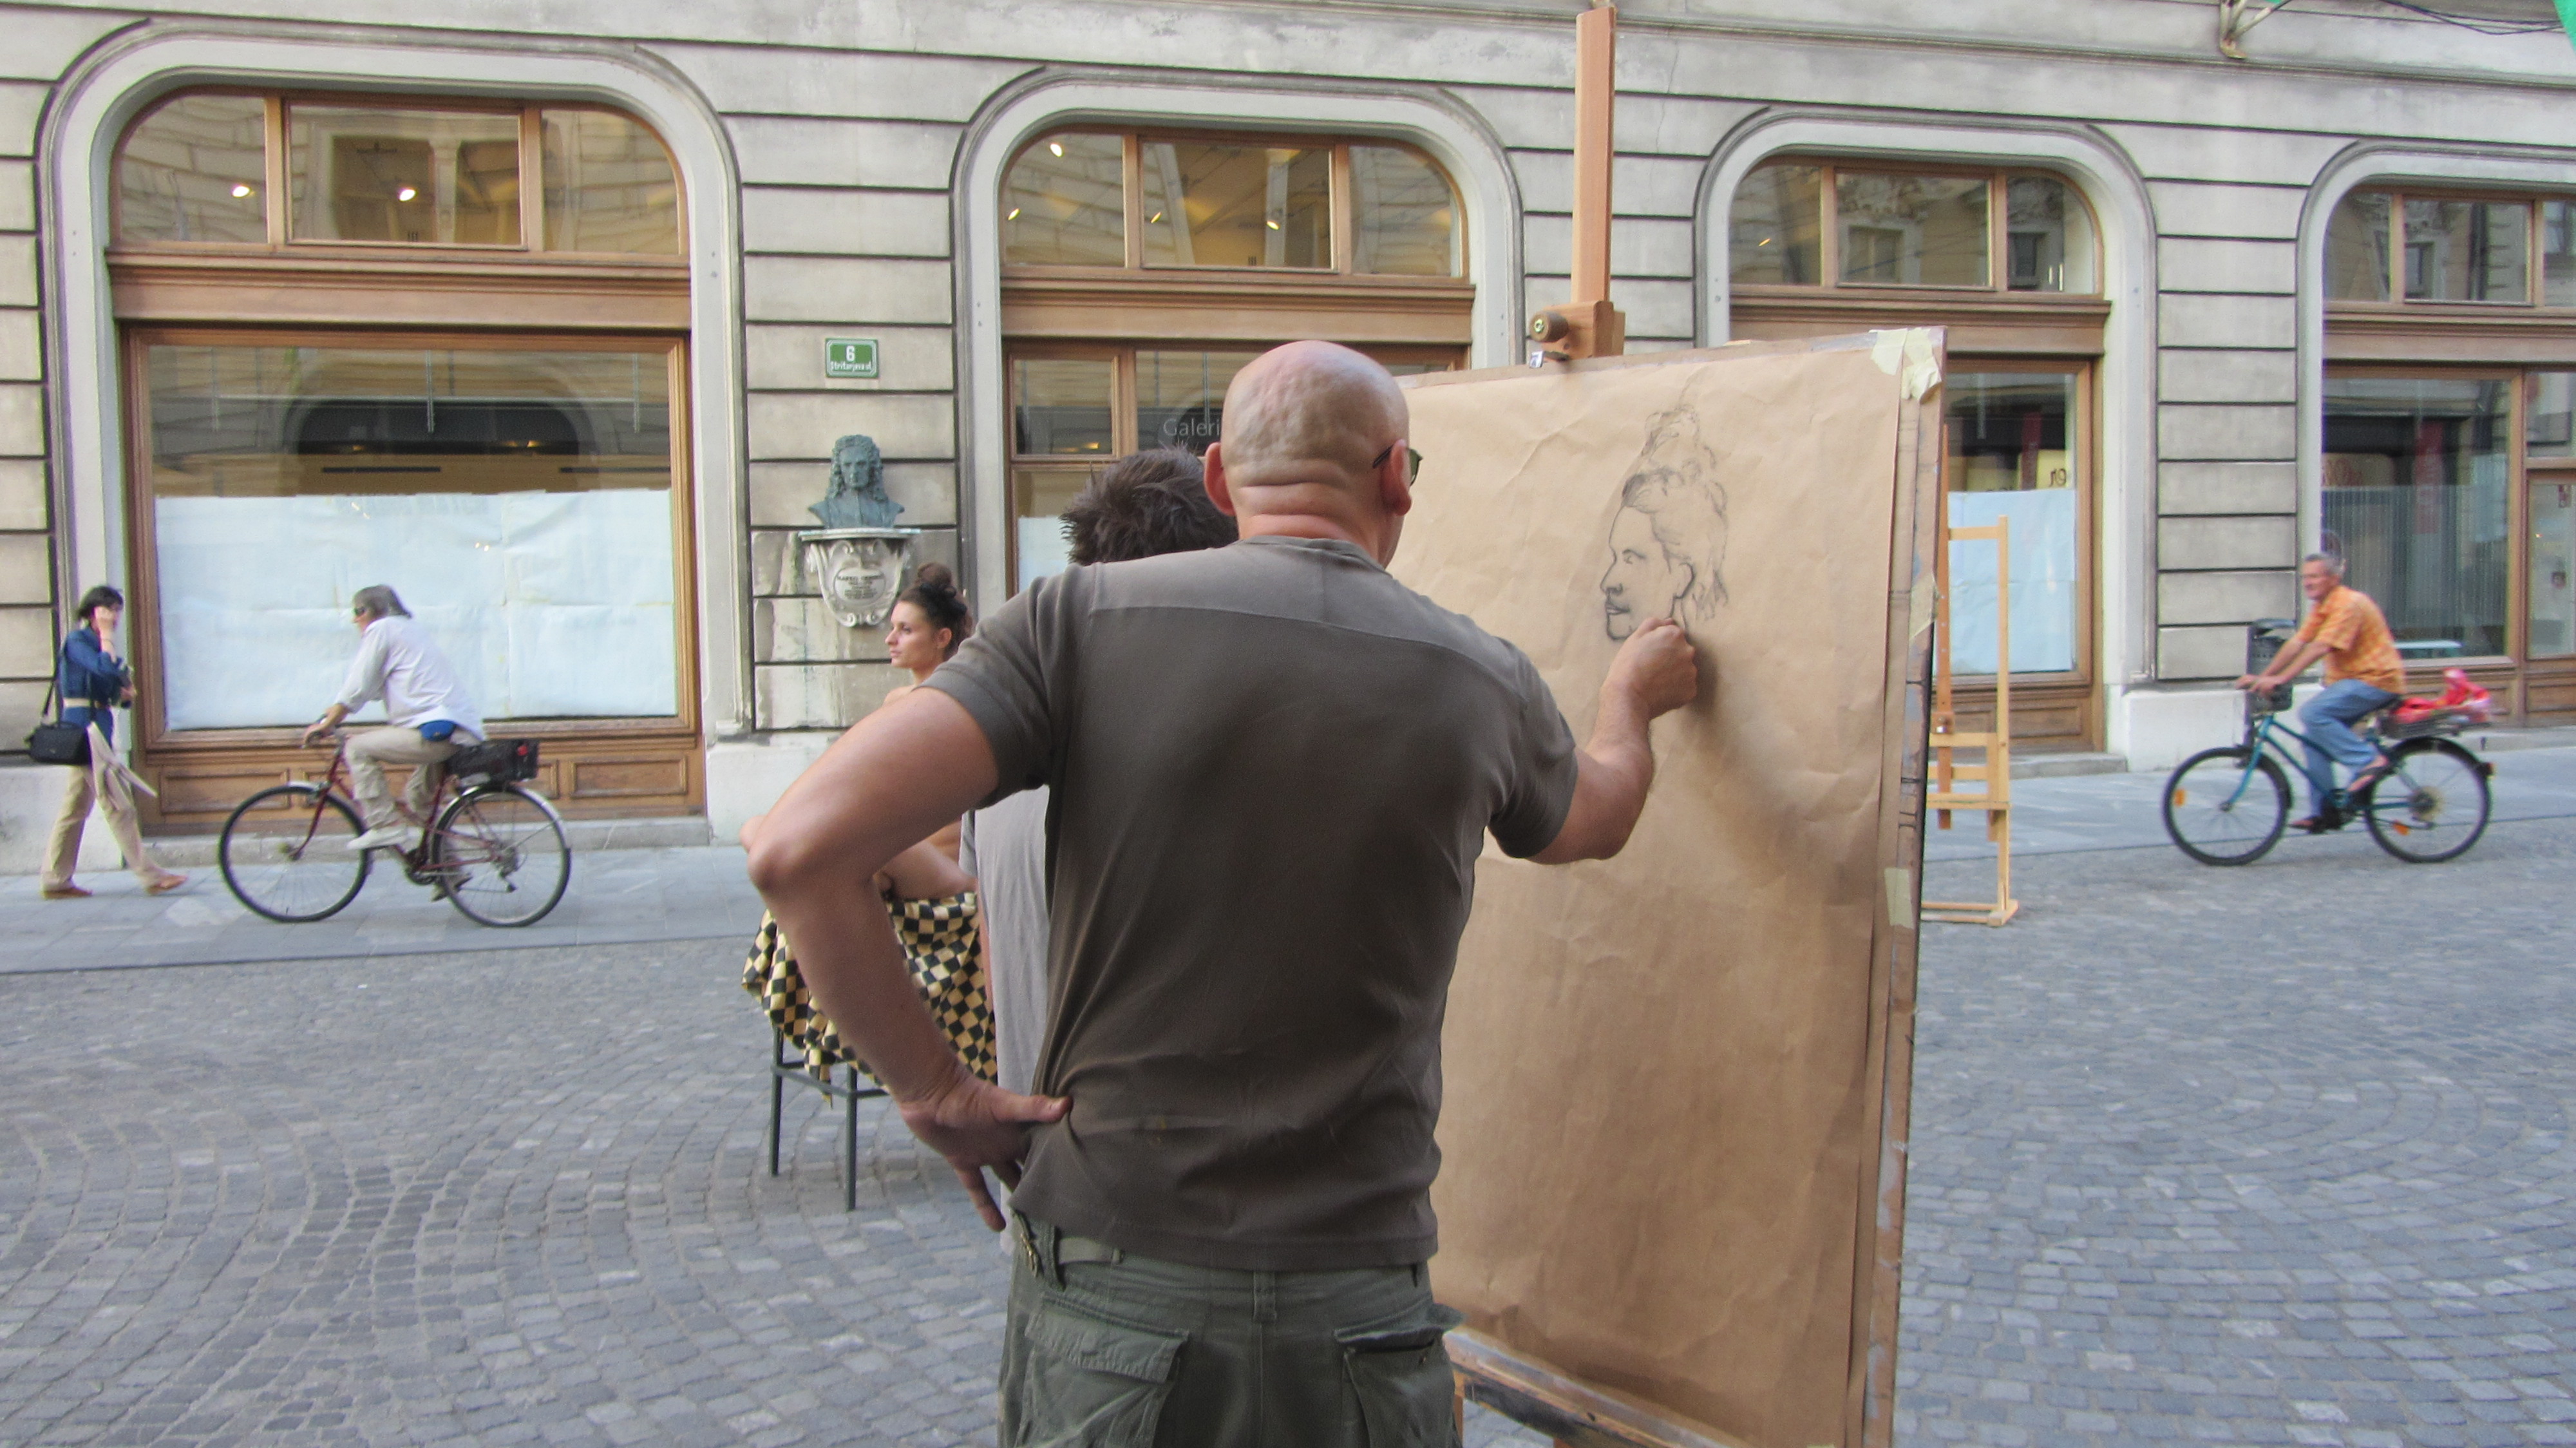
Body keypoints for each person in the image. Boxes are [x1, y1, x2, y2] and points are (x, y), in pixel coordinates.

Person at [746, 340, 1698, 1444]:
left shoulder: (1073, 623)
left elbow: (797, 850)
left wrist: (935, 1091)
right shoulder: (1482, 676)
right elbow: (1597, 817)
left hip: (1117, 1277)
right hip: (1353, 1289)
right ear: (1397, 477)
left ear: (1220, 479)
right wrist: (1631, 701)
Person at [961, 448, 1237, 1095]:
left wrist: (938, 1089)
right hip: (1149, 1141)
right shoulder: (1197, 748)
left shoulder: (999, 739)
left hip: (1036, 1127)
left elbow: (996, 968)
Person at [301, 586, 483, 853]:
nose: (355, 619)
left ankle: (384, 825)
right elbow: (373, 688)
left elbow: (358, 686)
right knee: (419, 798)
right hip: (459, 732)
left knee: (356, 748)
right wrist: (334, 712)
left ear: (370, 611)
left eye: (357, 611)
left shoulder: (382, 629)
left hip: (437, 733)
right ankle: (448, 869)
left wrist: (328, 724)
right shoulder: (409, 629)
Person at [2237, 553, 2406, 832]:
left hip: (2377, 680)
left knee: (2313, 713)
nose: (2308, 582)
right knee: (2313, 741)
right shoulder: (2323, 606)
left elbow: (2319, 647)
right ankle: (2325, 813)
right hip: (2352, 682)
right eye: (2305, 577)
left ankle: (2369, 762)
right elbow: (2297, 643)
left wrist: (2282, 679)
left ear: (2333, 579)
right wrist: (2264, 677)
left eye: (2314, 576)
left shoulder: (2348, 604)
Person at [40, 585, 187, 899]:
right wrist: (107, 636)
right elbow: (104, 667)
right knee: (119, 805)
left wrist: (124, 695)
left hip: (98, 729)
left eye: (117, 610)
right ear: (93, 612)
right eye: (108, 610)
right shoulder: (79, 641)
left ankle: (55, 879)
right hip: (84, 732)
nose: (114, 617)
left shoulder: (99, 645)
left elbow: (115, 687)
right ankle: (151, 876)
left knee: (75, 808)